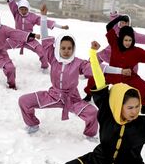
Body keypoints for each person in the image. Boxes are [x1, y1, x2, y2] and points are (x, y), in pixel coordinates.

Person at [18, 9, 98, 138]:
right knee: (24, 101)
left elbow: (96, 69)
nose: (66, 51)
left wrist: (119, 71)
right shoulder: (53, 58)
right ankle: (32, 125)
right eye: (63, 48)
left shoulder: (79, 63)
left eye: (69, 48)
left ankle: (90, 135)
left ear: (73, 49)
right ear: (58, 48)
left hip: (72, 99)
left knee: (93, 112)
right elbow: (45, 39)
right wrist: (43, 18)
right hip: (53, 95)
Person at [84, 15, 145, 114]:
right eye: (126, 40)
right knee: (93, 79)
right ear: (121, 39)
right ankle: (88, 95)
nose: (128, 43)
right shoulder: (115, 44)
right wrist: (119, 18)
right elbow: (108, 27)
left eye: (130, 40)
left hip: (128, 76)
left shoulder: (136, 51)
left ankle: (144, 105)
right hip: (112, 74)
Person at [7, 0, 69, 71]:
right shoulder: (16, 14)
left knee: (42, 52)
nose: (23, 11)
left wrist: (61, 26)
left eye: (25, 9)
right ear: (18, 9)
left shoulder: (32, 17)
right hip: (16, 39)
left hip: (30, 40)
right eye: (21, 9)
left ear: (28, 8)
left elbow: (45, 22)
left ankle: (44, 67)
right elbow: (12, 1)